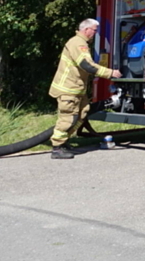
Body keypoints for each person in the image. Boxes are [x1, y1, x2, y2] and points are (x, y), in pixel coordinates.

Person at [49, 18, 121, 159]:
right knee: (68, 119)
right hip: (68, 90)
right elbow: (86, 65)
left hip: (76, 90)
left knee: (82, 114)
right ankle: (57, 148)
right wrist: (111, 73)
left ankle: (64, 142)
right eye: (94, 30)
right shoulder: (78, 43)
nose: (95, 33)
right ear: (86, 29)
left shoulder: (80, 43)